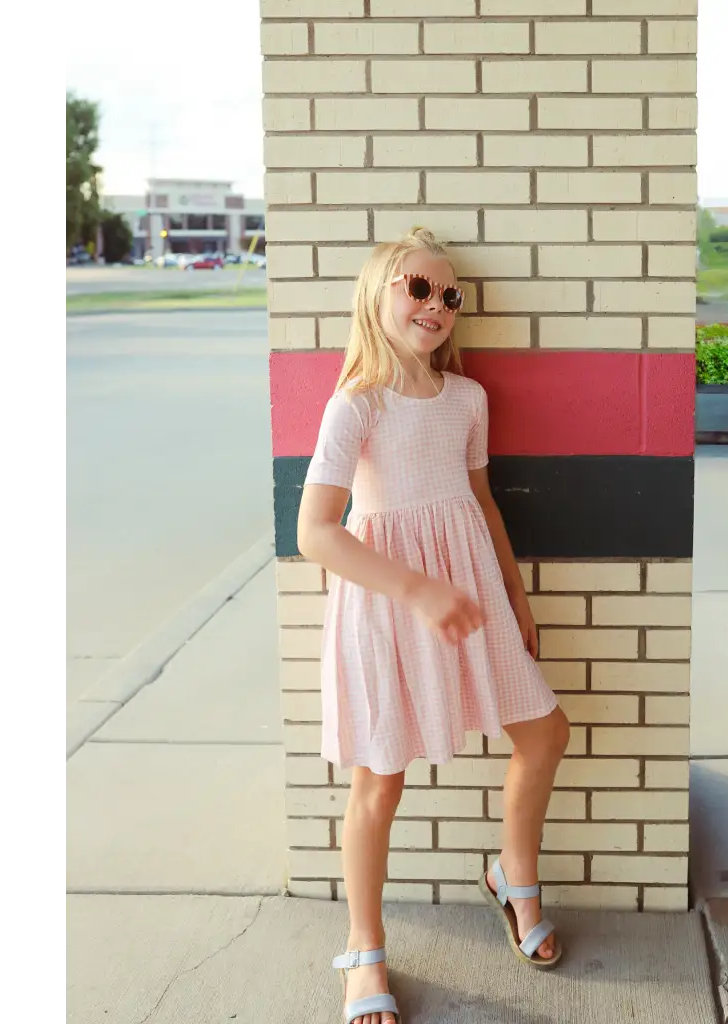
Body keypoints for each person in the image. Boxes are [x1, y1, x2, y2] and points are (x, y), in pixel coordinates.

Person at [297, 228, 571, 1024]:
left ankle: (513, 878)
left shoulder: (468, 399)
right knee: (380, 780)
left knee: (545, 732)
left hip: (473, 595)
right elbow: (318, 531)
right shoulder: (356, 402)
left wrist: (515, 600)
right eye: (418, 288)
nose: (436, 306)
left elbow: (480, 503)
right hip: (391, 605)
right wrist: (417, 590)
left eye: (450, 296)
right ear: (376, 295)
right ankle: (365, 951)